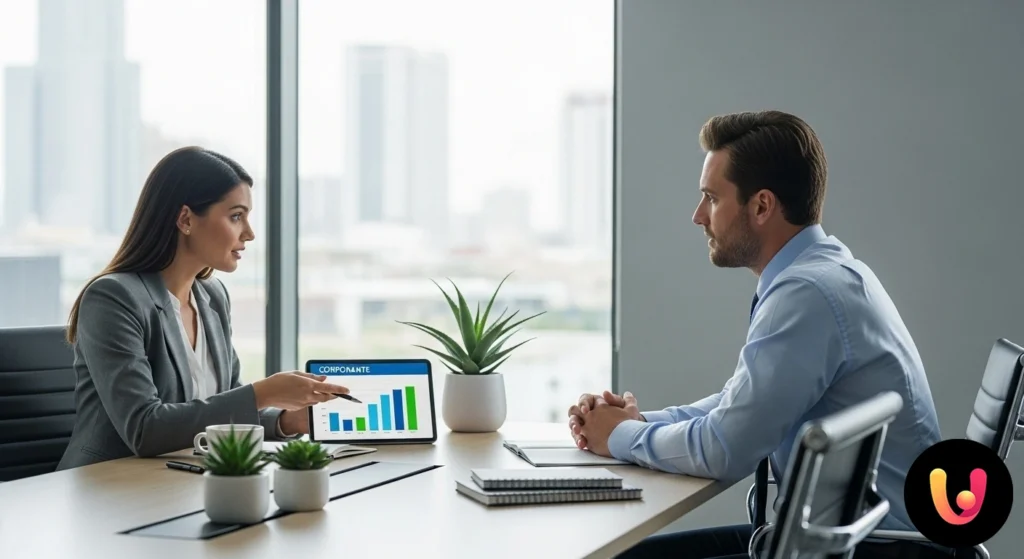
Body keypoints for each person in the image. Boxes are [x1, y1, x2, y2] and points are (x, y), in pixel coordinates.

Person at [567, 111, 954, 558]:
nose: (697, 216)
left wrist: (619, 437)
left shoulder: (808, 293)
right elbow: (741, 405)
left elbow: (725, 448)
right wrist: (635, 424)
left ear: (762, 206)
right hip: (859, 540)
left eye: (711, 198)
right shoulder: (827, 272)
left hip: (877, 549)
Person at [57, 146, 351, 470]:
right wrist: (262, 394)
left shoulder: (212, 296)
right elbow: (144, 428)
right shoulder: (113, 298)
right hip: (109, 486)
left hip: (182, 480)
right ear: (186, 219)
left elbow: (224, 402)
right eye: (236, 216)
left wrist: (286, 420)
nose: (250, 233)